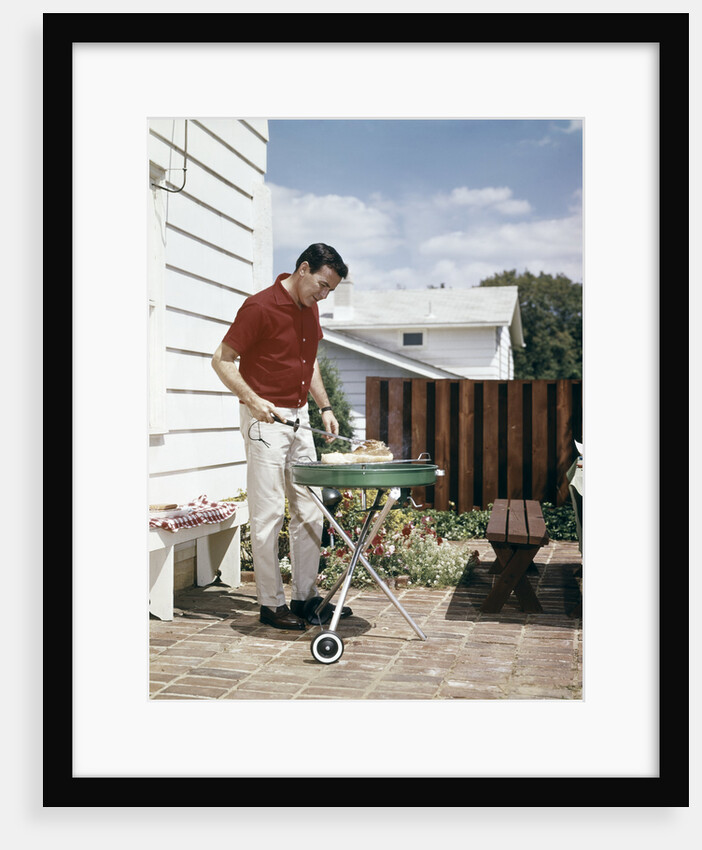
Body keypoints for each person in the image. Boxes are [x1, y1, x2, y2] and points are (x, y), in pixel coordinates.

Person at [211, 243, 353, 630]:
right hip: (265, 420)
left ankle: (305, 598)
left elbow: (309, 362)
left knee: (310, 510)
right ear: (303, 269)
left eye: (330, 290)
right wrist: (252, 399)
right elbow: (221, 359)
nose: (324, 295)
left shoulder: (310, 307)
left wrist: (325, 407)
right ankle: (271, 604)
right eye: (322, 285)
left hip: (299, 417)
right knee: (269, 513)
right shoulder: (259, 307)